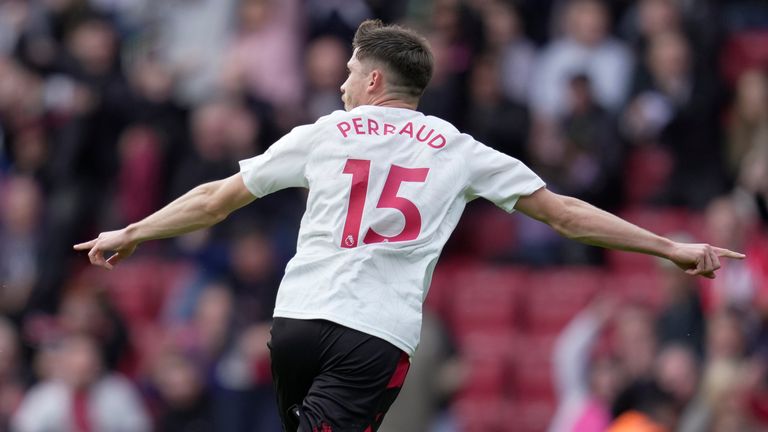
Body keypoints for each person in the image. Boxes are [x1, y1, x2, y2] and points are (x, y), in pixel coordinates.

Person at [74, 19, 745, 432]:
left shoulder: (325, 133)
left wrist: (133, 231)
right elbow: (565, 215)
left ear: (373, 82)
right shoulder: (459, 149)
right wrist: (667, 247)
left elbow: (216, 198)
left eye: (349, 71)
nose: (340, 81)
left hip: (297, 327)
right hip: (372, 333)